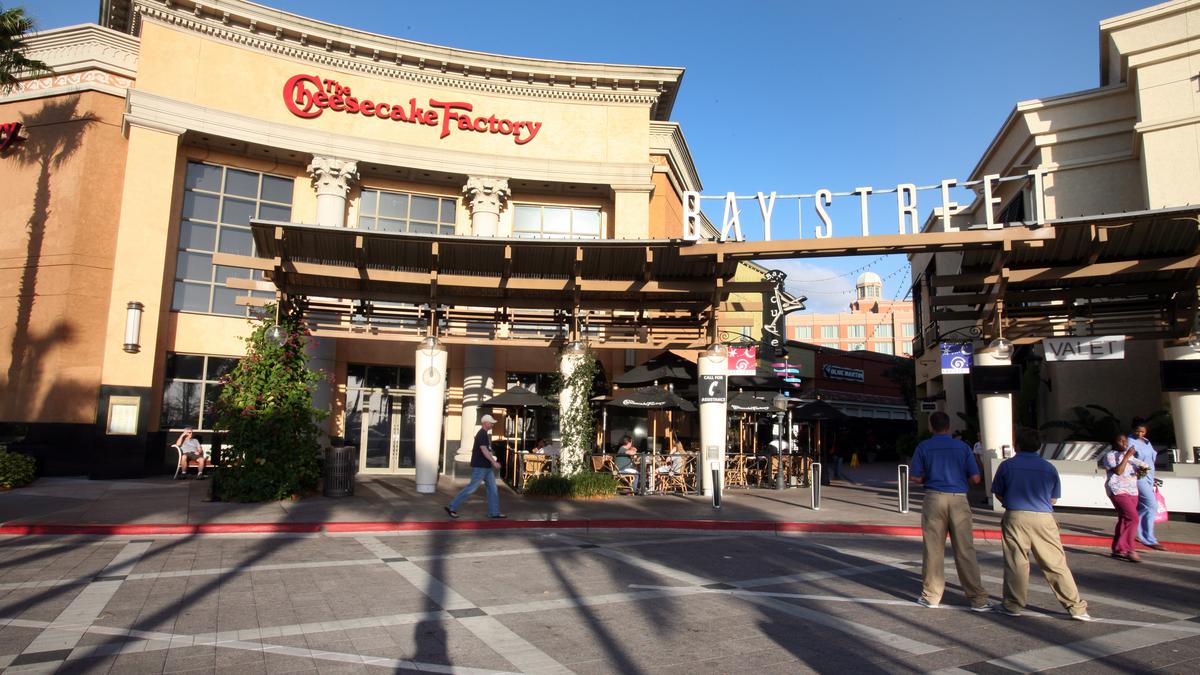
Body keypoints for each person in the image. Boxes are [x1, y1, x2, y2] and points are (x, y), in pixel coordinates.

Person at [991, 427, 1092, 620]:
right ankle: (1076, 607)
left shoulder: (1007, 466)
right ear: (1039, 447)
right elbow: (1054, 498)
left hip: (1016, 515)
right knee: (1055, 563)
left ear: (1017, 445)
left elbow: (998, 492)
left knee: (1016, 562)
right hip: (1044, 516)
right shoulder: (1048, 467)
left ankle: (1013, 604)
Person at [910, 411, 993, 611]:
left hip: (934, 498)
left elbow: (916, 477)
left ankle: (931, 596)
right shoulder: (963, 447)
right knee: (965, 549)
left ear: (931, 426)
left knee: (933, 549)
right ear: (948, 426)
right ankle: (977, 598)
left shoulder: (924, 447)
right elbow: (975, 479)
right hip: (959, 500)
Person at [1100, 433, 1148, 562]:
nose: (1124, 443)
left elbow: (1141, 472)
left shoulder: (1132, 458)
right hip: (1117, 490)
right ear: (1114, 443)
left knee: (1124, 519)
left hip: (1132, 490)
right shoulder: (1110, 456)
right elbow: (1118, 471)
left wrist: (1141, 472)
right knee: (1133, 518)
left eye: (1125, 441)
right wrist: (1127, 456)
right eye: (1120, 441)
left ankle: (1118, 549)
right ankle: (1129, 549)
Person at [445, 414, 505, 519]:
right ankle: (452, 507)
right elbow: (484, 450)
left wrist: (491, 462)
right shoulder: (481, 434)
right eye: (491, 423)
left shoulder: (484, 434)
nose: (492, 424)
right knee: (471, 488)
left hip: (486, 467)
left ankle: (494, 512)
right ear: (485, 423)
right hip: (480, 467)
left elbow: (487, 450)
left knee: (493, 489)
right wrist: (494, 462)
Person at [1129, 423, 1164, 550]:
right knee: (1151, 505)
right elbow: (1130, 459)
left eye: (1142, 431)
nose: (1139, 434)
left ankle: (1133, 531)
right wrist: (1142, 474)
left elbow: (1150, 461)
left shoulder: (1147, 442)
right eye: (1137, 431)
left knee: (1143, 507)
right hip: (1140, 477)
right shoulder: (1129, 441)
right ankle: (1148, 538)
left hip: (1149, 477)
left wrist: (1152, 477)